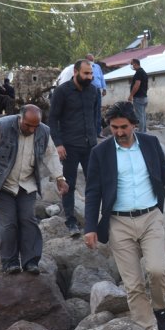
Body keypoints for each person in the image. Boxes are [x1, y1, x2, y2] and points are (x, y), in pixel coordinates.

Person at [83, 101, 165, 330]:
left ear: (134, 125)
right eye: (114, 127)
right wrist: (90, 227)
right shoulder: (99, 153)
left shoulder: (150, 144)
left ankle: (160, 308)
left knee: (157, 271)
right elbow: (93, 192)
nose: (119, 132)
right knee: (133, 284)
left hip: (150, 218)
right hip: (118, 223)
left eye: (123, 127)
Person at [0, 105, 69, 274]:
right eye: (28, 125)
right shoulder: (0, 127)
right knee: (8, 225)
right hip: (0, 184)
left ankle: (31, 262)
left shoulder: (43, 131)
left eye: (35, 126)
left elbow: (51, 154)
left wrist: (60, 178)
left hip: (27, 185)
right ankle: (10, 262)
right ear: (20, 118)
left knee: (28, 221)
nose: (32, 130)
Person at [49, 58, 98, 237]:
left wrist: (96, 136)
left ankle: (92, 221)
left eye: (91, 73)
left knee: (94, 183)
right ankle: (70, 221)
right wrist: (58, 144)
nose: (90, 77)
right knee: (68, 183)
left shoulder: (93, 91)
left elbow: (95, 115)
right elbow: (53, 119)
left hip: (90, 145)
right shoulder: (61, 91)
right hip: (69, 146)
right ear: (76, 72)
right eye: (86, 73)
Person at [86, 54, 107, 138]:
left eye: (92, 60)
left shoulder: (97, 67)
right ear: (86, 60)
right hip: (88, 90)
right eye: (90, 60)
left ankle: (98, 133)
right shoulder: (84, 66)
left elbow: (101, 77)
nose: (91, 61)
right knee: (89, 111)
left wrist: (104, 88)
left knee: (98, 112)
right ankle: (89, 133)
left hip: (97, 90)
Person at [128, 58, 149, 133]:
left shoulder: (139, 73)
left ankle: (141, 133)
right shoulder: (144, 72)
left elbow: (137, 85)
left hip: (138, 97)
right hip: (144, 97)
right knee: (143, 115)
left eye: (131, 64)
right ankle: (144, 131)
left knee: (140, 116)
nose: (131, 66)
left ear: (135, 64)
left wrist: (131, 95)